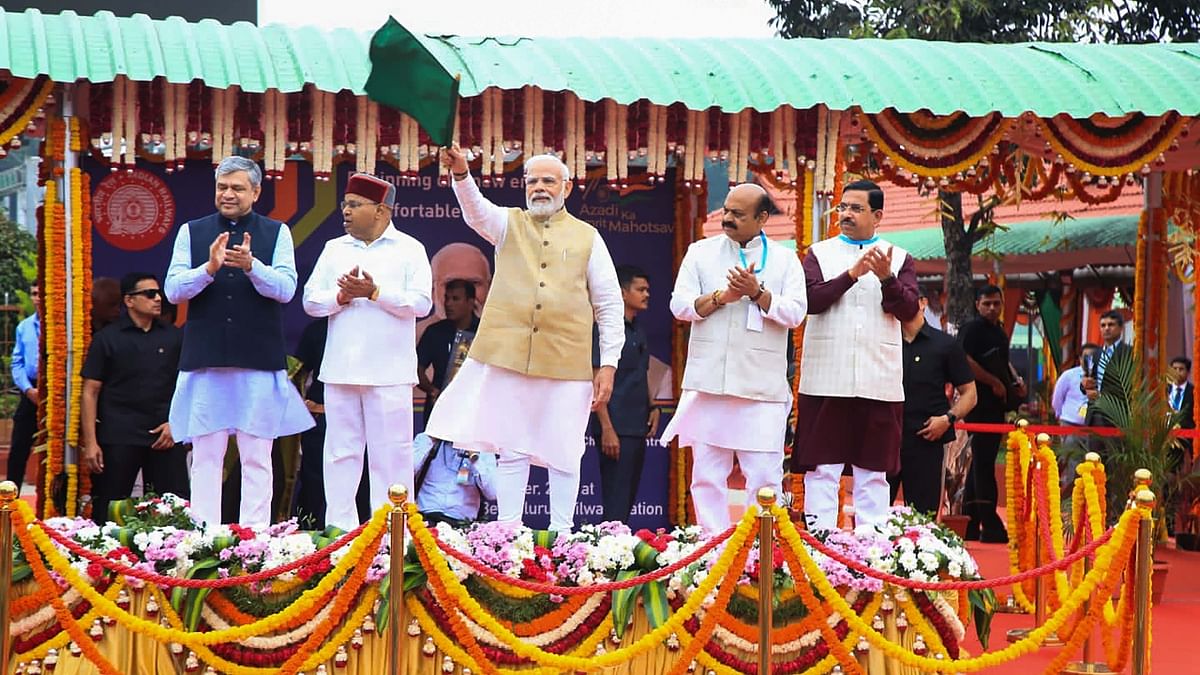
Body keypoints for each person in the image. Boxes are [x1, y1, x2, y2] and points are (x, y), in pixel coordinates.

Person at [426, 144, 624, 532]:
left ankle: (563, 537)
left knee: (565, 451)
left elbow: (609, 304)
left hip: (567, 360)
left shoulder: (588, 237)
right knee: (511, 448)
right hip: (508, 355)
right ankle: (507, 535)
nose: (539, 188)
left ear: (567, 188)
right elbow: (475, 211)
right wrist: (463, 175)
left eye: (548, 181)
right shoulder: (508, 224)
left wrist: (609, 363)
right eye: (531, 181)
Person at [165, 156, 314, 527]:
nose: (228, 194)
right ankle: (202, 539)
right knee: (205, 456)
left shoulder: (276, 232)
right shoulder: (192, 231)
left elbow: (285, 289)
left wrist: (251, 266)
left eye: (237, 188)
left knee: (257, 457)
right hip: (206, 359)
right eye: (222, 187)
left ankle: (255, 542)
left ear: (256, 192)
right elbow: (172, 290)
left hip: (258, 360)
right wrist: (209, 269)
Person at [664, 184, 807, 533]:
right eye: (726, 211)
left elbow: (797, 313)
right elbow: (679, 305)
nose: (727, 219)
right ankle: (712, 551)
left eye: (737, 214)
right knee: (707, 474)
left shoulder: (786, 260)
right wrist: (722, 296)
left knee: (763, 477)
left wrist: (757, 294)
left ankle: (758, 553)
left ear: (761, 218)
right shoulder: (701, 252)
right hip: (710, 382)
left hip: (762, 387)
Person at [302, 173, 433, 530]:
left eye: (354, 205)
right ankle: (340, 536)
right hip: (341, 371)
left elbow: (421, 304)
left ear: (381, 210)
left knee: (392, 457)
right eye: (345, 204)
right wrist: (342, 297)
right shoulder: (335, 248)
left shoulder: (410, 248)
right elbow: (311, 301)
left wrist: (375, 293)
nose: (345, 211)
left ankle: (392, 537)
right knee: (340, 455)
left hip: (389, 374)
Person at [792, 179, 919, 531]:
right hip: (825, 380)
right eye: (842, 207)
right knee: (822, 469)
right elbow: (812, 302)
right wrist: (852, 274)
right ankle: (821, 546)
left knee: (874, 472)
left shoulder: (900, 257)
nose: (845, 214)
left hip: (879, 380)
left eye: (855, 208)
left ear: (877, 215)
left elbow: (909, 311)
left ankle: (871, 550)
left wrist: (886, 278)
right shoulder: (818, 253)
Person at [79, 273, 189, 523]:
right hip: (119, 435)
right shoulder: (107, 338)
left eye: (159, 293)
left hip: (165, 434)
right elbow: (90, 391)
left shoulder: (174, 337)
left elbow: (187, 386)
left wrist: (177, 424)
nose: (158, 299)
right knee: (108, 508)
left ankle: (170, 560)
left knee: (173, 509)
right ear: (129, 301)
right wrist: (91, 442)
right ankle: (103, 558)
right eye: (149, 294)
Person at [888, 292, 976, 515]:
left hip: (926, 439)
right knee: (872, 518)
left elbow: (970, 394)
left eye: (909, 299)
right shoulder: (885, 342)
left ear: (923, 303)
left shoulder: (945, 344)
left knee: (922, 517)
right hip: (885, 439)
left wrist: (947, 419)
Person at [591, 265, 661, 524]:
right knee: (616, 500)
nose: (646, 295)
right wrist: (607, 429)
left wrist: (653, 407)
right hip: (614, 427)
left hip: (637, 426)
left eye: (648, 290)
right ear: (622, 292)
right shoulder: (605, 330)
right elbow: (596, 382)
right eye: (640, 289)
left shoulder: (637, 329)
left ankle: (618, 548)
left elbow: (640, 373)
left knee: (629, 497)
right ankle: (609, 555)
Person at [958, 285, 1025, 542]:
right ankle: (991, 524)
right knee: (984, 464)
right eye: (987, 303)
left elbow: (1002, 364)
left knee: (980, 463)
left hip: (996, 407)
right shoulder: (972, 329)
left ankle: (971, 523)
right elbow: (963, 359)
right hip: (977, 405)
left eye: (997, 303)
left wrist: (1013, 383)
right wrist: (991, 382)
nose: (992, 308)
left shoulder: (998, 331)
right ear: (977, 304)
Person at [292, 317, 371, 529]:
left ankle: (362, 535)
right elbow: (297, 372)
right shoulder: (318, 329)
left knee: (360, 482)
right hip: (322, 416)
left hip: (363, 420)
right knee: (315, 481)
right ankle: (309, 537)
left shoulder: (372, 327)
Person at [416, 279, 481, 421]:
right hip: (439, 408)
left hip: (476, 409)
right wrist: (432, 391)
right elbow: (417, 369)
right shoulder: (434, 332)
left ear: (471, 302)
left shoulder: (484, 333)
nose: (448, 304)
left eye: (455, 299)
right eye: (447, 298)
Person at [412, 434, 498, 527]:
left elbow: (492, 493)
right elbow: (406, 473)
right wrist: (429, 441)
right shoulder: (426, 439)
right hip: (426, 516)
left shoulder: (484, 447)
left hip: (460, 523)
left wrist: (476, 459)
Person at [1051, 343, 1099, 488]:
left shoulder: (1103, 377)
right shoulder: (1069, 375)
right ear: (1079, 358)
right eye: (1086, 357)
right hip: (1071, 425)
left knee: (1091, 462)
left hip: (1094, 428)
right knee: (1073, 462)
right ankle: (1072, 499)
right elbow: (1057, 398)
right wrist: (1061, 417)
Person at [7, 283, 40, 487]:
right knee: (19, 447)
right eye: (34, 294)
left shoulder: (65, 324)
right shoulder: (24, 327)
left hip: (59, 391)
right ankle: (10, 501)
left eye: (41, 293)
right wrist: (28, 389)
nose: (37, 298)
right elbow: (16, 362)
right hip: (31, 390)